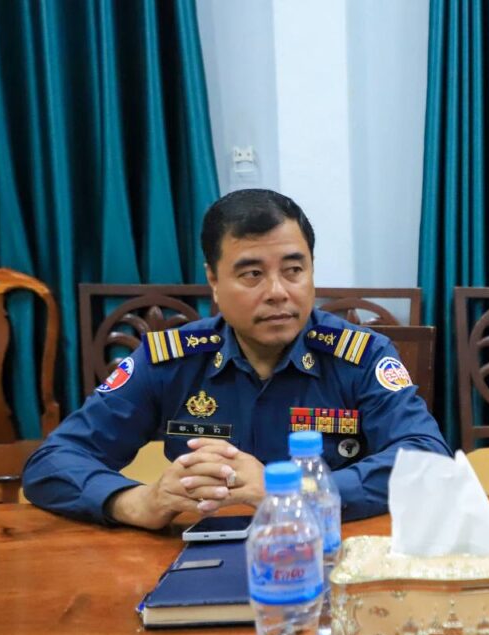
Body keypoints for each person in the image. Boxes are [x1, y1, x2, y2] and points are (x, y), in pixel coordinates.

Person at [23, 189, 451, 529]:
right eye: (252, 274)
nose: (278, 292)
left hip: (330, 548)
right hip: (197, 549)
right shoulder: (170, 360)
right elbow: (53, 461)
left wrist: (293, 491)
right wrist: (134, 502)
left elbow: (428, 461)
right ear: (213, 279)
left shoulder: (360, 356)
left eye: (294, 270)